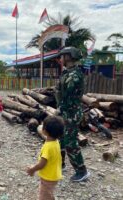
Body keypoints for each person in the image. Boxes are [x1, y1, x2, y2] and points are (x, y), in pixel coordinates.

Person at [55, 47, 90, 182]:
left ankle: (82, 171)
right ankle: (61, 164)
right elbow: (59, 90)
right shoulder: (67, 72)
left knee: (70, 142)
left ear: (68, 57)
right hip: (65, 111)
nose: (61, 59)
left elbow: (67, 96)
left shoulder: (74, 75)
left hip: (71, 113)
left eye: (62, 56)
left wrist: (60, 108)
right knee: (61, 139)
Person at [26, 116, 64, 200]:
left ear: (45, 131)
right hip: (54, 174)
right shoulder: (56, 141)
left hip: (48, 177)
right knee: (49, 193)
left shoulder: (48, 147)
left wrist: (32, 169)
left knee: (43, 196)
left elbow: (42, 164)